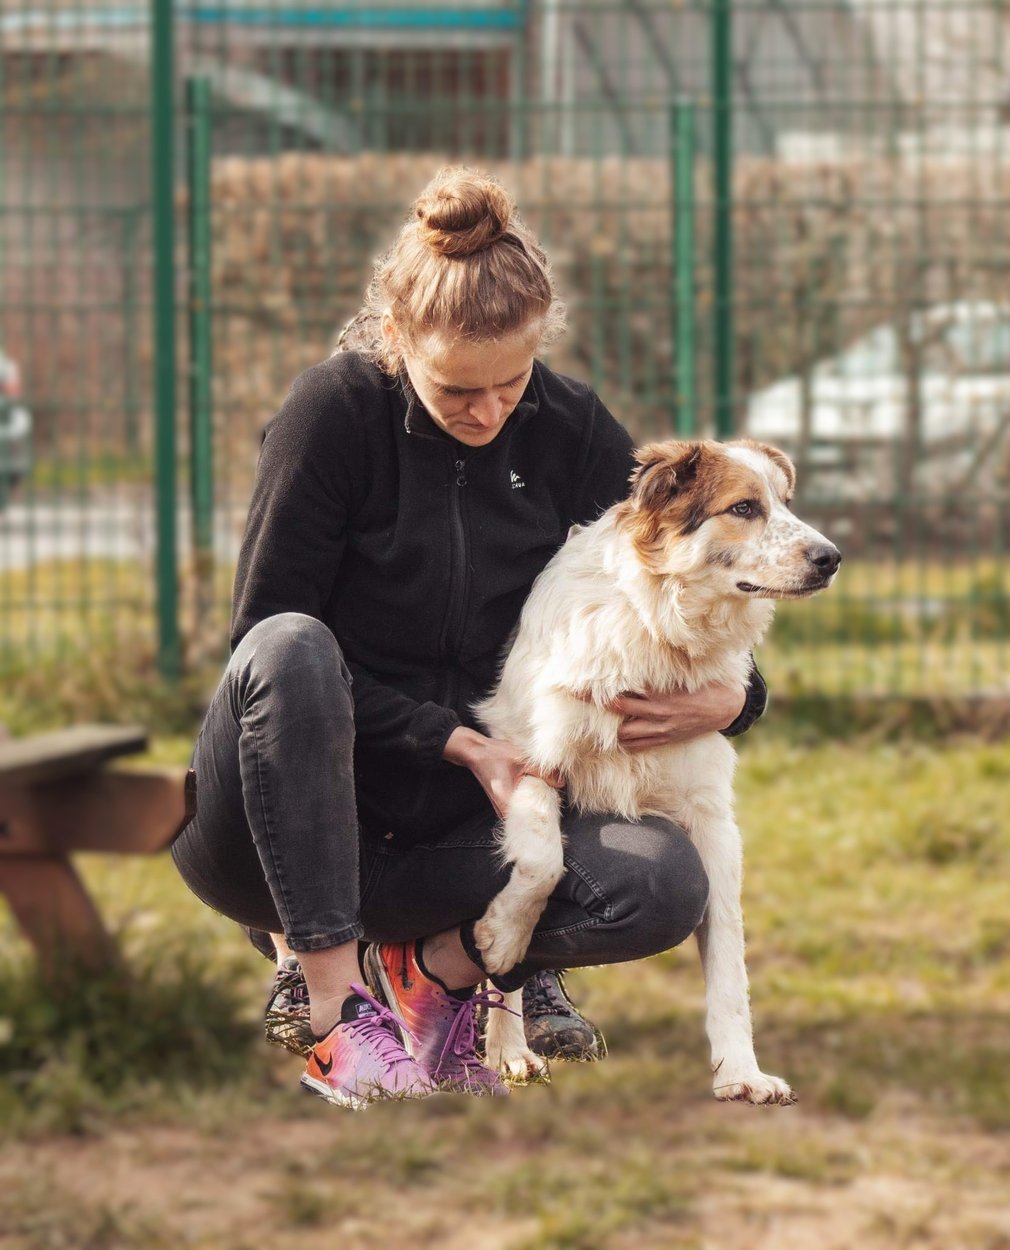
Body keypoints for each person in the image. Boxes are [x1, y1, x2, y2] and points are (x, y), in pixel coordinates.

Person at [171, 167, 767, 1109]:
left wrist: (741, 697)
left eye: (510, 383)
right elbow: (258, 648)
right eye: (456, 390)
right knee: (293, 645)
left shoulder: (569, 430)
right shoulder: (331, 417)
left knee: (659, 885)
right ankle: (334, 1015)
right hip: (280, 833)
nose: (488, 413)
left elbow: (667, 563)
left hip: (461, 838)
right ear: (398, 339)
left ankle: (434, 972)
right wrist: (453, 740)